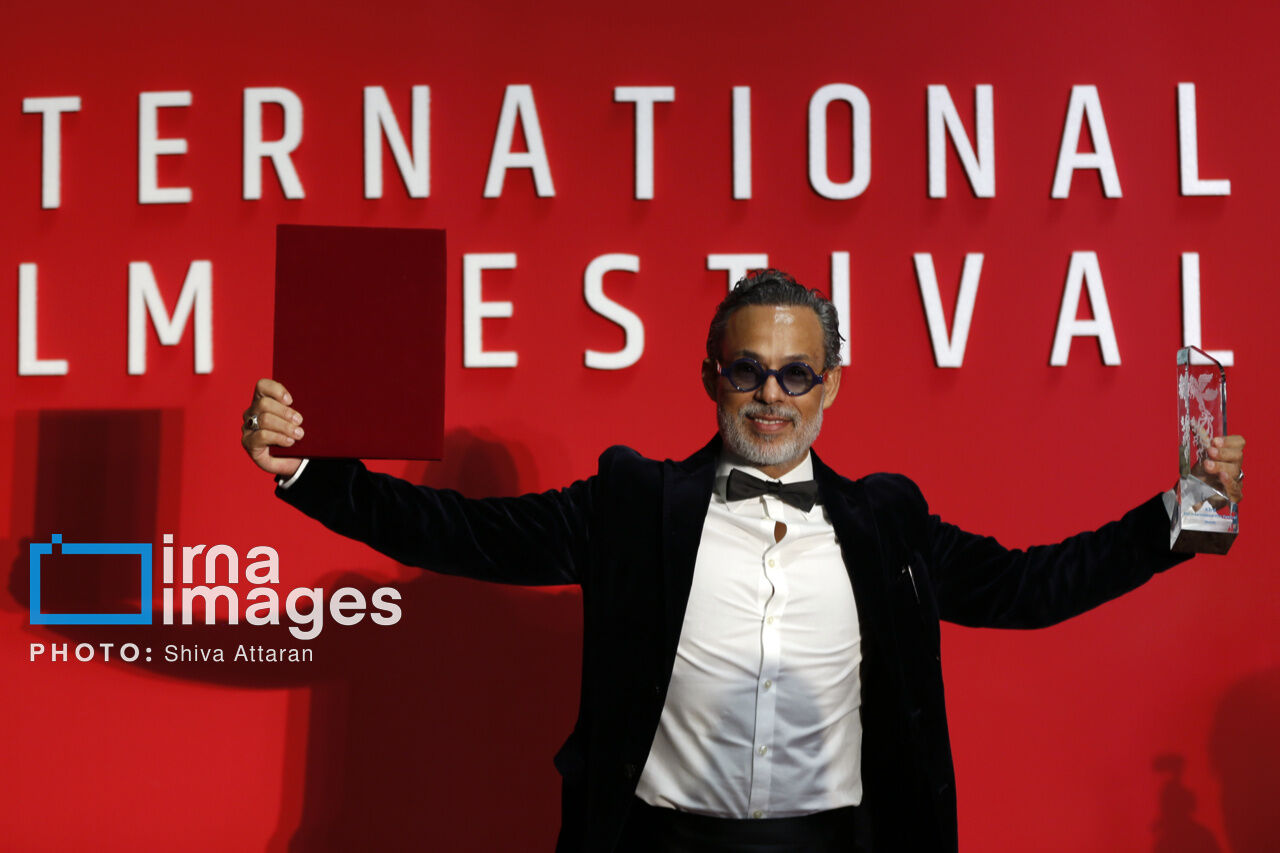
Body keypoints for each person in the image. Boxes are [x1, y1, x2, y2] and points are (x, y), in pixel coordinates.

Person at [241, 270, 1245, 852]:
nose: (772, 394)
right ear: (711, 377)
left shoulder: (886, 520)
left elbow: (1028, 586)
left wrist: (1175, 517)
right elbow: (461, 532)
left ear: (831, 385)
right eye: (748, 370)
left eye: (796, 372)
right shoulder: (633, 503)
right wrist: (310, 471)